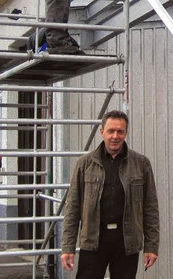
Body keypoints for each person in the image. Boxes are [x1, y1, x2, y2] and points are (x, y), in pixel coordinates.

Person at [61, 110, 160, 278]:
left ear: (126, 133)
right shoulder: (85, 164)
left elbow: (150, 208)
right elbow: (73, 208)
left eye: (120, 131)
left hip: (126, 243)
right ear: (102, 132)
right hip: (93, 241)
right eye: (111, 131)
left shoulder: (141, 164)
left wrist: (151, 246)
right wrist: (67, 247)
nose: (115, 136)